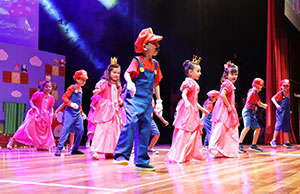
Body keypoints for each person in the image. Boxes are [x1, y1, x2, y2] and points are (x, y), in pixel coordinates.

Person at [113, 27, 163, 171]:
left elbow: (156, 83)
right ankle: (121, 156)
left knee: (145, 128)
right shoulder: (137, 61)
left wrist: (159, 101)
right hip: (134, 99)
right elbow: (128, 74)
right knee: (131, 122)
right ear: (145, 46)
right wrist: (129, 82)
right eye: (154, 43)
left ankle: (142, 161)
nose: (157, 47)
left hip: (147, 101)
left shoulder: (155, 64)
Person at [165, 56, 209, 163]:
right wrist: (187, 102)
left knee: (194, 131)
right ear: (190, 72)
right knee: (186, 130)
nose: (200, 73)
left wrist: (202, 109)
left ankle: (193, 154)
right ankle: (180, 154)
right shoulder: (188, 82)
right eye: (198, 71)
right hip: (187, 110)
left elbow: (194, 101)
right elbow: (184, 94)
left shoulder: (194, 83)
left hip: (193, 110)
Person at [7, 76, 55, 150]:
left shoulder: (51, 98)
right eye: (46, 87)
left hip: (44, 116)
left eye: (49, 87)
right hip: (36, 114)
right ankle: (12, 140)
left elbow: (51, 106)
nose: (48, 88)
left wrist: (52, 113)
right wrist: (33, 107)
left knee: (42, 132)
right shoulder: (38, 94)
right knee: (25, 127)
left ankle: (40, 145)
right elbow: (31, 101)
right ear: (42, 87)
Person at [90, 57, 123, 160]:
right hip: (106, 109)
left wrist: (119, 100)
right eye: (114, 73)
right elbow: (98, 90)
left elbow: (117, 97)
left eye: (118, 73)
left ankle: (110, 151)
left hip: (115, 109)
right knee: (102, 129)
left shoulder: (118, 85)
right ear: (109, 73)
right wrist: (96, 92)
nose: (116, 75)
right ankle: (95, 150)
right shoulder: (104, 82)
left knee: (113, 130)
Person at [208, 61, 240, 158]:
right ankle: (214, 147)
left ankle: (222, 149)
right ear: (227, 75)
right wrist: (229, 105)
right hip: (225, 108)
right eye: (232, 74)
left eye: (236, 74)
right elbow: (222, 95)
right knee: (221, 127)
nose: (234, 76)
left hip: (225, 108)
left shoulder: (228, 83)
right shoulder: (228, 84)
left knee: (228, 129)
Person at [55, 70, 88, 156]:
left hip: (77, 114)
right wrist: (71, 104)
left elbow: (79, 103)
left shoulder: (81, 89)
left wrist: (82, 112)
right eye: (82, 79)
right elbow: (64, 98)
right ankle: (59, 149)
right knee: (66, 129)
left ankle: (75, 148)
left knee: (81, 131)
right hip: (69, 112)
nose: (84, 82)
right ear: (77, 79)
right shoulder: (72, 87)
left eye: (85, 80)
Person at [239, 78, 268, 153]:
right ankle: (239, 144)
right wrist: (265, 106)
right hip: (247, 112)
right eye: (257, 87)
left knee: (257, 128)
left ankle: (253, 145)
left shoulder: (252, 91)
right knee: (247, 127)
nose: (259, 89)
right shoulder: (253, 93)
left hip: (252, 113)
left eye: (260, 88)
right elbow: (259, 104)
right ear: (253, 85)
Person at [270, 79, 293, 148]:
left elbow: (287, 103)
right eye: (284, 86)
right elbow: (272, 98)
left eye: (287, 86)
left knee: (286, 125)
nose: (286, 87)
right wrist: (277, 105)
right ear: (281, 86)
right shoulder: (280, 93)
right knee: (279, 124)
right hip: (281, 111)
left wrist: (289, 110)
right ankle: (273, 140)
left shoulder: (288, 94)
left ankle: (287, 141)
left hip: (286, 111)